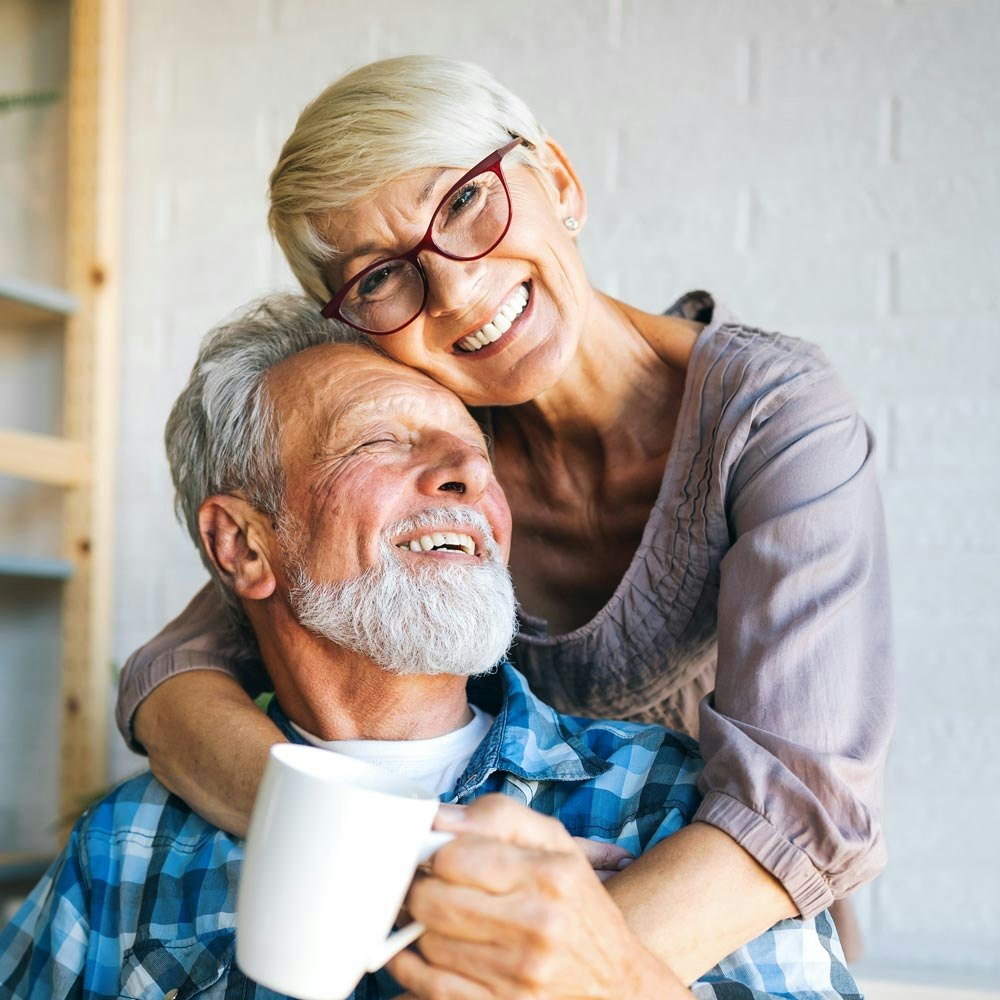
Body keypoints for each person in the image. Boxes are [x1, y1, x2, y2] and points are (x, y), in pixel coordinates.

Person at [117, 56, 893, 978]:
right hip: (460, 896)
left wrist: (538, 966)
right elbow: (171, 680)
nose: (454, 291)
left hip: (714, 916)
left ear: (559, 182)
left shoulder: (773, 419)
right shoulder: (434, 442)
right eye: (378, 278)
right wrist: (402, 855)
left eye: (465, 204)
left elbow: (797, 810)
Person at [1, 296, 861, 999]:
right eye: (381, 441)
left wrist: (622, 978)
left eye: (476, 454)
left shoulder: (665, 809)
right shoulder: (132, 844)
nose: (468, 475)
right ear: (244, 547)